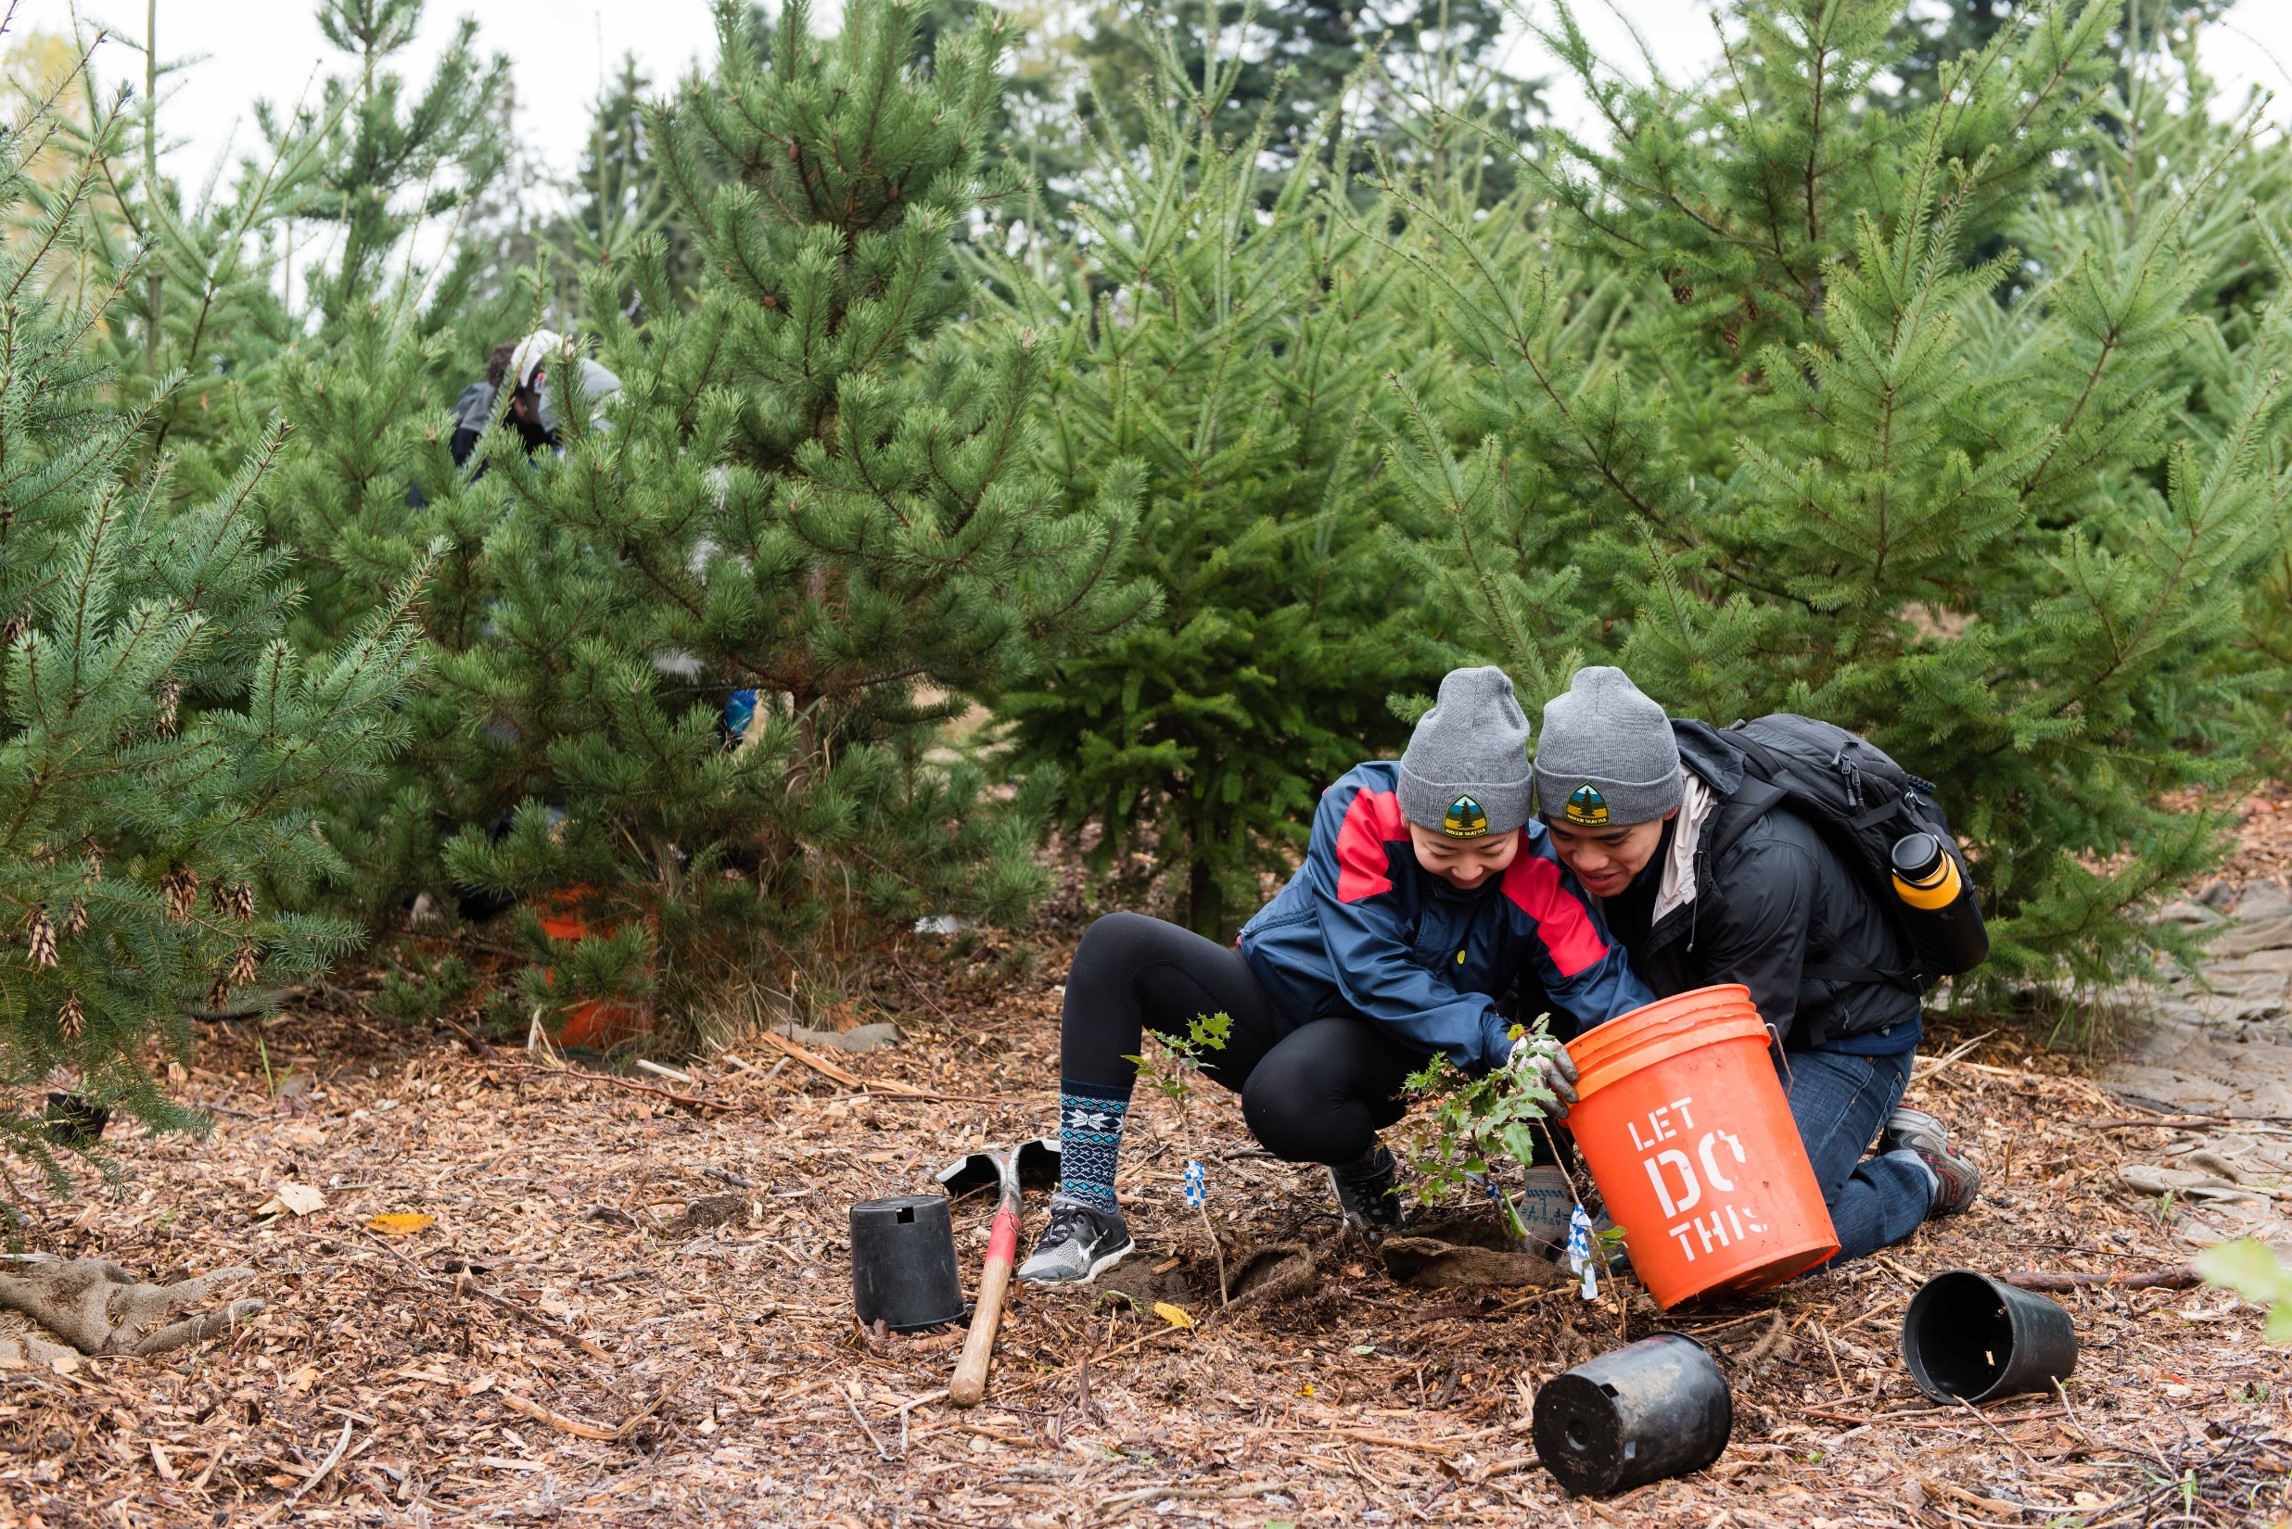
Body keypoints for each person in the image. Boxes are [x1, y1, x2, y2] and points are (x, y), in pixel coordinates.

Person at [1016, 667, 1655, 1287]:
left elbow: (1604, 995)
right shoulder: (1363, 807)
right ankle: (1087, 1207)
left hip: (1385, 1046)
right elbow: (1371, 967)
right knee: (1117, 944)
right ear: (1409, 814)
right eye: (1442, 851)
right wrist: (1497, 1039)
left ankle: (1361, 1161)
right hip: (1276, 996)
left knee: (1284, 1102)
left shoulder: (1542, 871)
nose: (1467, 871)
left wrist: (1675, 1076)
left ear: (1521, 823)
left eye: (1491, 852)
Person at [1529, 666, 1982, 1265]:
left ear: (1666, 807)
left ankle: (1916, 1175)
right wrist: (1550, 1162)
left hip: (1841, 1039)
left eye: (1614, 840)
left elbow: (1730, 1067)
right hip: (1716, 1020)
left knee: (1757, 1233)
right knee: (1668, 1233)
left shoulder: (1762, 863)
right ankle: (1841, 1132)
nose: (1589, 860)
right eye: (1565, 835)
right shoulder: (1579, 853)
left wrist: (1641, 1222)